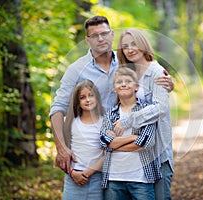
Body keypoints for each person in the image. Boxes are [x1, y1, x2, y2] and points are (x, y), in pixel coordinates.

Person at [50, 15, 174, 175]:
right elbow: (58, 108)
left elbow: (148, 83)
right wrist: (61, 147)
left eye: (104, 33)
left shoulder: (126, 61)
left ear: (112, 34)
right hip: (94, 151)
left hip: (136, 150)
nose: (100, 39)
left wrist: (167, 85)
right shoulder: (76, 69)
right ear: (87, 40)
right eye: (94, 36)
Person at [115, 28, 173, 200]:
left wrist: (128, 120)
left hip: (157, 153)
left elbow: (160, 108)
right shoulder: (128, 73)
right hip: (135, 154)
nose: (130, 49)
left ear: (143, 44)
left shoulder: (156, 71)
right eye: (125, 46)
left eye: (134, 44)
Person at [100, 67, 161, 200]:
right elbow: (103, 142)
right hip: (113, 178)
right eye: (119, 82)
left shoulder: (146, 111)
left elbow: (146, 142)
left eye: (128, 81)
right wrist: (133, 137)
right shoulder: (111, 113)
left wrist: (113, 144)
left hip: (141, 178)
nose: (123, 84)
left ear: (136, 87)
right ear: (114, 89)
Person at [62, 80, 104, 199]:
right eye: (82, 97)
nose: (88, 99)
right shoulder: (70, 122)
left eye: (91, 95)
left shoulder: (104, 122)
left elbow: (108, 153)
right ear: (77, 101)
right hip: (73, 176)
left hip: (97, 177)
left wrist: (89, 172)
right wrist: (72, 173)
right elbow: (63, 153)